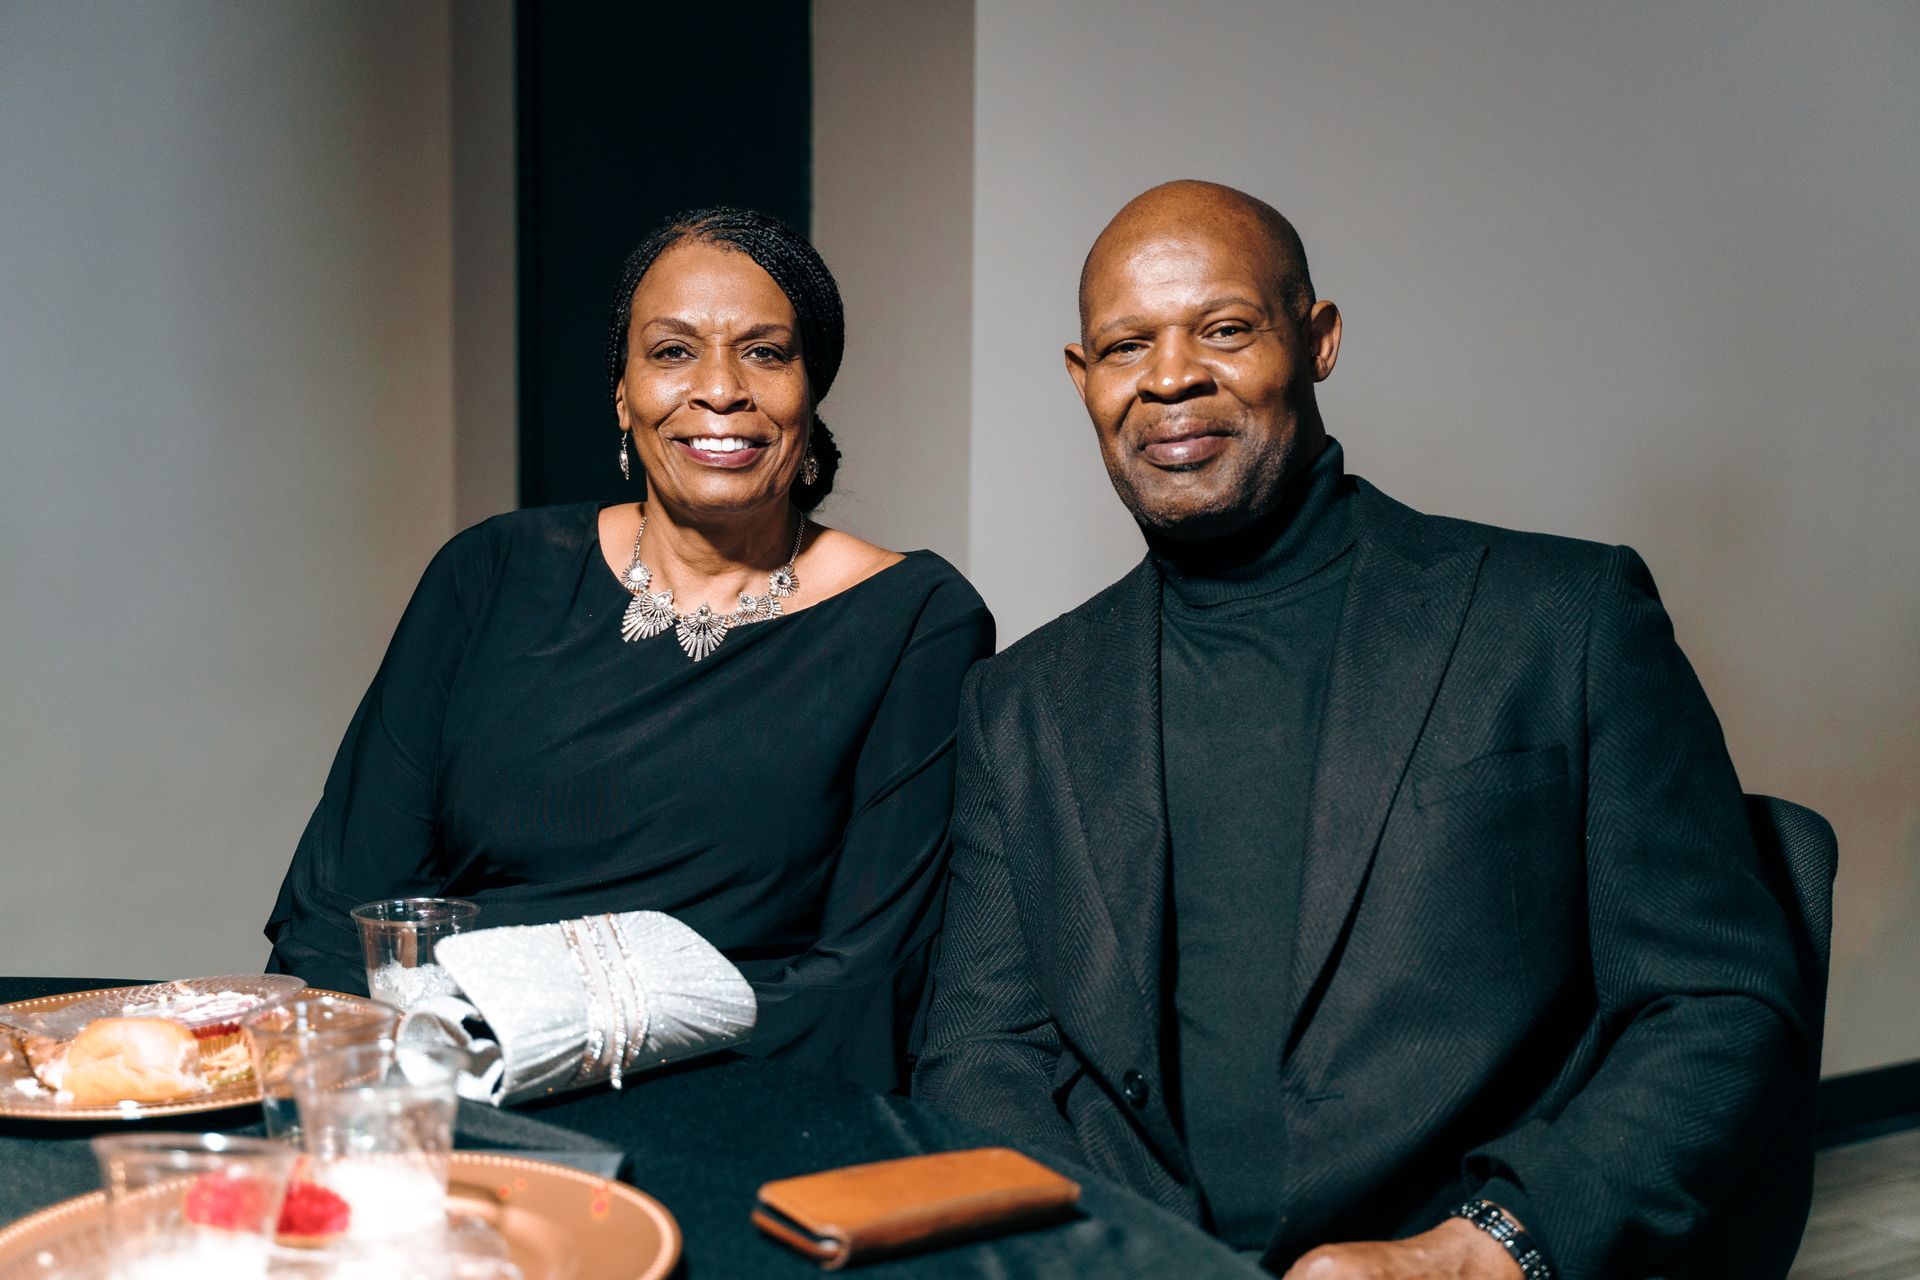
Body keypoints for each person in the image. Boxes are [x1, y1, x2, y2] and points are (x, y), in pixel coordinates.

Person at [914, 181, 1805, 1278]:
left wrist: (1487, 1250)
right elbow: (976, 1051)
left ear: (1318, 339)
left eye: (1226, 329)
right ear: (1081, 377)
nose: (1170, 376)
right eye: (1125, 345)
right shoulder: (1023, 702)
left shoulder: (1561, 620)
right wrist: (1104, 1250)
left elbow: (1715, 1000)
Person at [267, 207, 993, 1093]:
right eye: (673, 351)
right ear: (622, 392)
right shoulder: (489, 575)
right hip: (453, 1089)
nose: (720, 389)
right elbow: (339, 912)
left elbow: (866, 980)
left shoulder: (916, 620)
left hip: (731, 1106)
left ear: (812, 391)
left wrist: (559, 1042)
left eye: (765, 352)